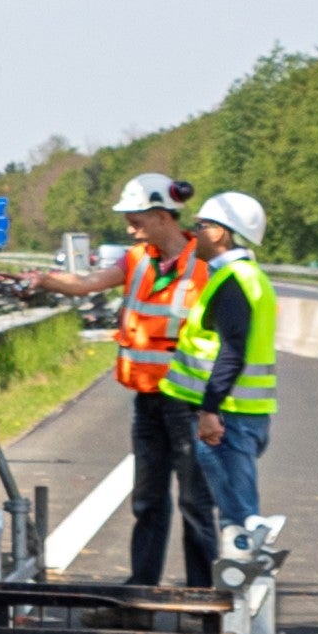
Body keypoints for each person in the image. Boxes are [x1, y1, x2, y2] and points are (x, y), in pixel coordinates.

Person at [106, 174, 214, 585]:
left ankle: (202, 593)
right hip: (148, 399)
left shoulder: (204, 266)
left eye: (136, 219)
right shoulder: (137, 259)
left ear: (162, 216)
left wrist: (212, 408)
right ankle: (142, 587)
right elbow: (88, 284)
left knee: (195, 501)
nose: (130, 227)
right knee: (148, 499)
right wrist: (45, 282)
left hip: (188, 400)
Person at [183, 190, 283, 552]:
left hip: (230, 417)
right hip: (247, 415)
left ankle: (248, 598)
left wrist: (210, 410)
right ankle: (242, 597)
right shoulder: (250, 276)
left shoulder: (234, 279)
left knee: (239, 522)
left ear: (219, 233)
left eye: (200, 226)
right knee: (233, 516)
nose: (193, 233)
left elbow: (233, 350)